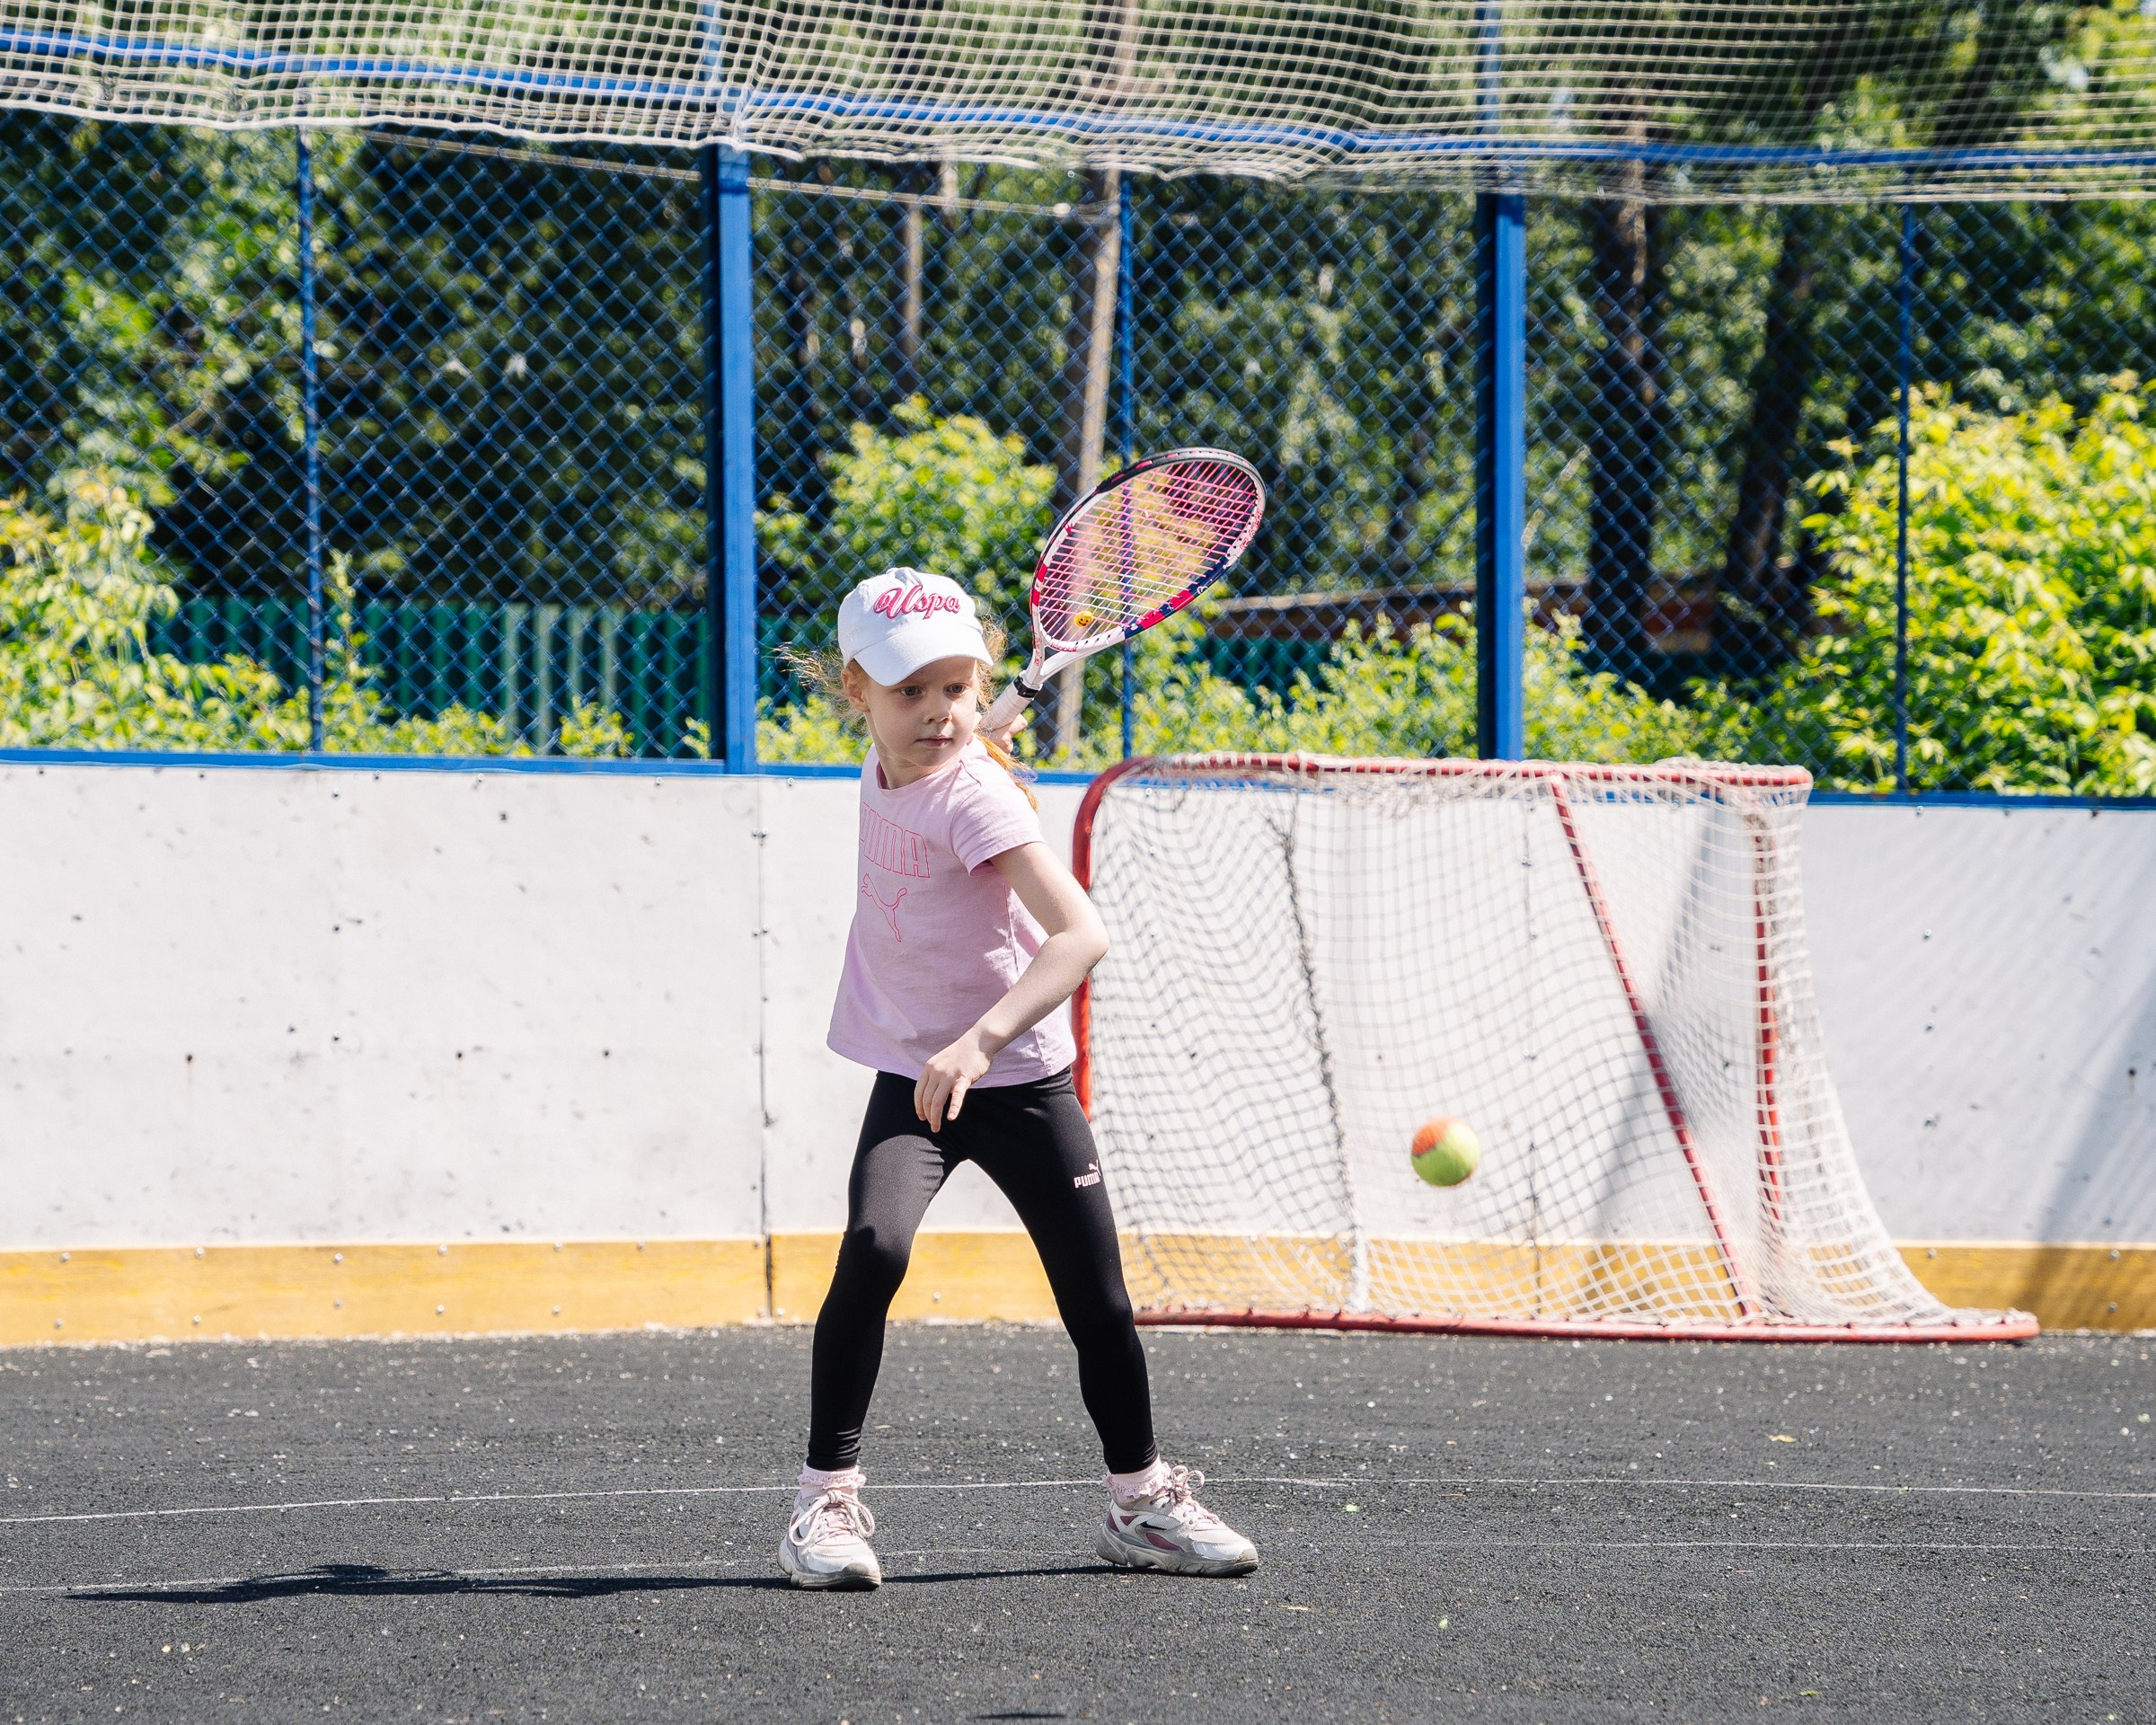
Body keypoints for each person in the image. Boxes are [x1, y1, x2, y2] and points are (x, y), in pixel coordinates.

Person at [777, 566, 1259, 1591]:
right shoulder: (906, 760)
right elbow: (943, 755)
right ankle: (825, 1502)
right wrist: (980, 724)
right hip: (917, 1076)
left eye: (959, 688)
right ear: (856, 692)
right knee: (873, 1248)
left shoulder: (979, 795)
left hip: (1016, 1079)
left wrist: (980, 1042)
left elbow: (1082, 936)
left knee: (1099, 1303)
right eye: (914, 690)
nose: (940, 711)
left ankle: (1141, 1502)